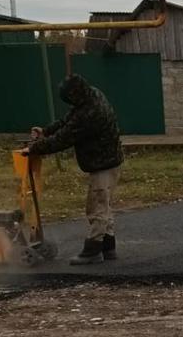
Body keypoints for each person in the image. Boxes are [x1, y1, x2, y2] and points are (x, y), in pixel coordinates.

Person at [23, 74, 124, 265]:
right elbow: (69, 120)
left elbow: (65, 137)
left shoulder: (91, 113)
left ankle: (93, 250)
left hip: (103, 164)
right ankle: (108, 247)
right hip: (108, 161)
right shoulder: (92, 95)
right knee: (104, 205)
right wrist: (45, 131)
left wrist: (34, 148)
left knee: (96, 207)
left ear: (75, 95)